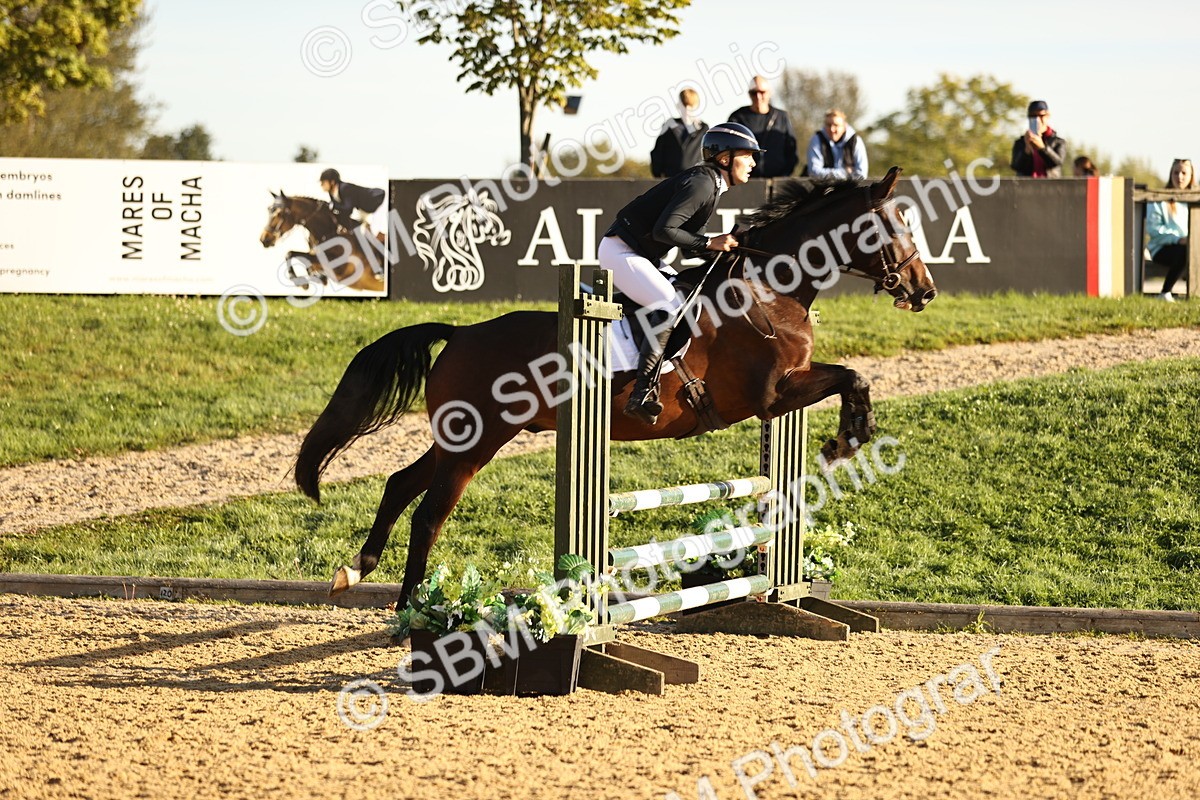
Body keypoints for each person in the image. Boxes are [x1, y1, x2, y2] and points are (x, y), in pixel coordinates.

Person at [598, 122, 763, 424]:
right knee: (669, 303)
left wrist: (726, 246)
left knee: (687, 297)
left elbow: (688, 247)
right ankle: (643, 391)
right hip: (621, 252)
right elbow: (664, 231)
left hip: (640, 253)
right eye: (747, 155)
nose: (753, 162)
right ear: (725, 158)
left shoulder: (710, 184)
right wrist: (710, 241)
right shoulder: (703, 183)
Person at [1145, 158, 1196, 302]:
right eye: (1176, 173)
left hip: (1190, 247)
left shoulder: (1194, 200)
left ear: (1191, 176)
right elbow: (1154, 230)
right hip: (1162, 249)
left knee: (1191, 251)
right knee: (1185, 252)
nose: (1179, 177)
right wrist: (1179, 239)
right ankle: (1165, 292)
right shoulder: (1160, 199)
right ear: (1170, 174)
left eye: (1183, 173)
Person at [727, 76, 797, 178]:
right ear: (749, 94)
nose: (758, 97)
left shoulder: (782, 117)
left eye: (762, 92)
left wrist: (784, 176)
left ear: (769, 93)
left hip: (778, 182)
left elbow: (791, 150)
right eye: (754, 93)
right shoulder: (737, 118)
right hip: (747, 182)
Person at [650, 88, 710, 178]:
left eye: (691, 106)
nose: (687, 110)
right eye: (684, 106)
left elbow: (708, 156)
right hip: (670, 178)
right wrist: (658, 175)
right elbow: (658, 152)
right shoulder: (669, 126)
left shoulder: (703, 129)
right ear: (679, 106)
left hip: (695, 179)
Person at [319, 168, 387, 244]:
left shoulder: (345, 188)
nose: (321, 185)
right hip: (365, 209)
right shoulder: (332, 193)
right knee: (363, 231)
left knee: (375, 231)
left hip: (379, 201)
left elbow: (348, 209)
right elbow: (340, 210)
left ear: (332, 182)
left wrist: (333, 206)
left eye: (323, 182)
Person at [804, 108, 869, 179]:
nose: (832, 129)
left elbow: (861, 174)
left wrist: (826, 174)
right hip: (821, 188)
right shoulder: (817, 139)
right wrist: (845, 172)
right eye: (828, 125)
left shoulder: (856, 141)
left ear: (844, 126)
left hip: (850, 188)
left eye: (836, 125)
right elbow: (814, 172)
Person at [1011, 100, 1067, 178]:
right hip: (1026, 187)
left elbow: (1057, 163)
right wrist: (1027, 150)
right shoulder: (1021, 142)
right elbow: (1016, 166)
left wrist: (1042, 148)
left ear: (1048, 116)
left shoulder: (1058, 142)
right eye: (1033, 116)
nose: (1037, 120)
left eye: (1041, 116)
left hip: (1050, 187)